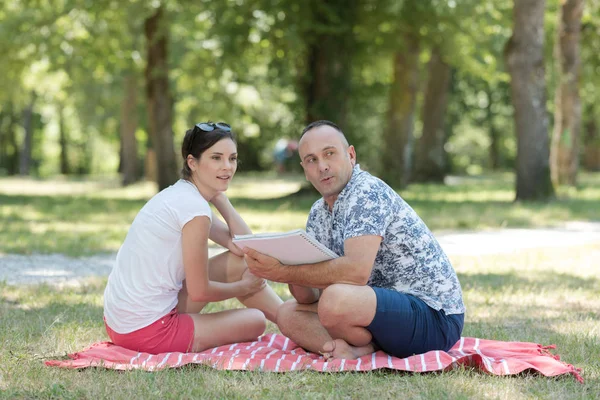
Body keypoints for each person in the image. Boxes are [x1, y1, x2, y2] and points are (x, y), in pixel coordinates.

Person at [243, 120, 465, 360]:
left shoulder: (366, 191)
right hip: (374, 310)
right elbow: (308, 297)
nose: (323, 166)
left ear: (350, 155)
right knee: (287, 314)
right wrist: (286, 258)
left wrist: (282, 272)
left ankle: (364, 347)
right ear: (305, 170)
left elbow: (356, 272)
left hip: (434, 317)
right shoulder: (318, 212)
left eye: (330, 154)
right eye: (312, 160)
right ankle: (362, 349)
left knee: (335, 300)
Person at [103, 121, 283, 354]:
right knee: (256, 320)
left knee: (240, 262)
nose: (227, 167)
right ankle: (292, 321)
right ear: (192, 162)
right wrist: (242, 286)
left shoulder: (182, 195)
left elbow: (245, 249)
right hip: (148, 331)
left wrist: (221, 199)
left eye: (232, 158)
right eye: (216, 158)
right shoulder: (193, 209)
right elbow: (200, 291)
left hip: (120, 325)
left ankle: (289, 317)